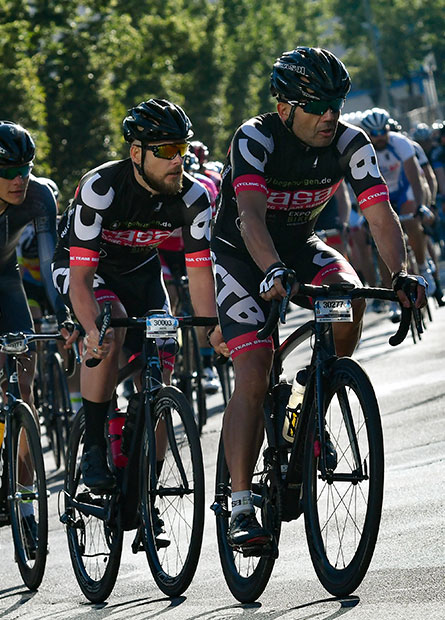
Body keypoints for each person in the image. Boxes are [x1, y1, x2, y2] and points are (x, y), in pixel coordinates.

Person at [210, 47, 426, 548]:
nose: (331, 114)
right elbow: (250, 219)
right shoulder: (255, 137)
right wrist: (270, 272)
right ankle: (241, 505)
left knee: (348, 295)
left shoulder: (351, 142)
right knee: (255, 371)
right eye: (317, 104)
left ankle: (312, 403)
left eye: (337, 102)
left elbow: (379, 216)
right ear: (284, 106)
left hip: (302, 245)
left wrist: (401, 274)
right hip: (243, 253)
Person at [52, 98, 226, 490]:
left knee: (165, 356)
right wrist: (93, 332)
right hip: (85, 270)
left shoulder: (194, 198)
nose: (177, 159)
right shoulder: (101, 188)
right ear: (136, 152)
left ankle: (146, 484)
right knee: (108, 327)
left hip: (141, 273)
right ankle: (94, 445)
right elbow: (81, 281)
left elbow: (200, 274)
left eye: (181, 149)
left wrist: (212, 331)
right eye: (165, 150)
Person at [0, 121, 73, 532]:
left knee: (23, 385)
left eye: (25, 168)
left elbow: (49, 264)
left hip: (7, 278)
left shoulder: (40, 195)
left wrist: (65, 317)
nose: (20, 179)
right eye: (8, 171)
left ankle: (25, 503)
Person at [360, 108, 436, 297]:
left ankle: (422, 265)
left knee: (411, 219)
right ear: (369, 134)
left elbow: (414, 178)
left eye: (383, 131)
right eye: (375, 134)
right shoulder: (363, 149)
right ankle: (390, 292)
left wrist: (420, 205)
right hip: (382, 195)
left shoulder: (401, 143)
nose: (380, 137)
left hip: (403, 190)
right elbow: (359, 185)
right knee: (382, 241)